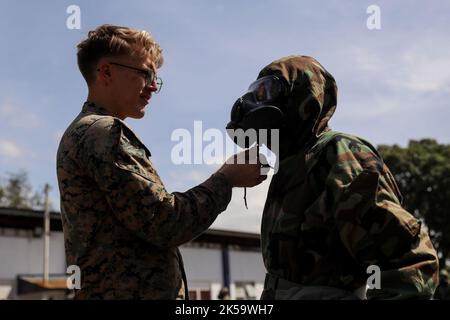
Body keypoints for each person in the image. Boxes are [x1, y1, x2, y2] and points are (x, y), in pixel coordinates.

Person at [56, 24, 265, 300]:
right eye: (145, 74)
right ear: (106, 72)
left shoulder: (86, 132)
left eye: (156, 77)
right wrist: (227, 178)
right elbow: (165, 223)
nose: (153, 86)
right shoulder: (104, 133)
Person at [226, 55, 439, 299]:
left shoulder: (338, 154)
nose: (257, 99)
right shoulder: (291, 166)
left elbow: (409, 261)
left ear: (301, 95)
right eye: (257, 90)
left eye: (268, 90)